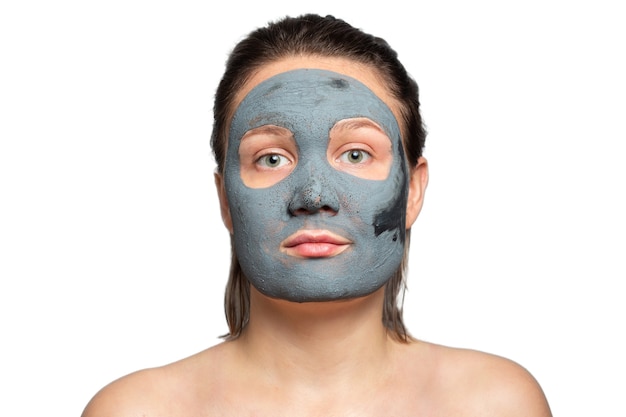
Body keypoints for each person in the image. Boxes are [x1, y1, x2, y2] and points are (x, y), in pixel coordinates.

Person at [82, 13, 552, 416]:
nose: (312, 196)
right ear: (225, 198)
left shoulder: (494, 404)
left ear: (413, 189)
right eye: (271, 158)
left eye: (355, 154)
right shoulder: (137, 410)